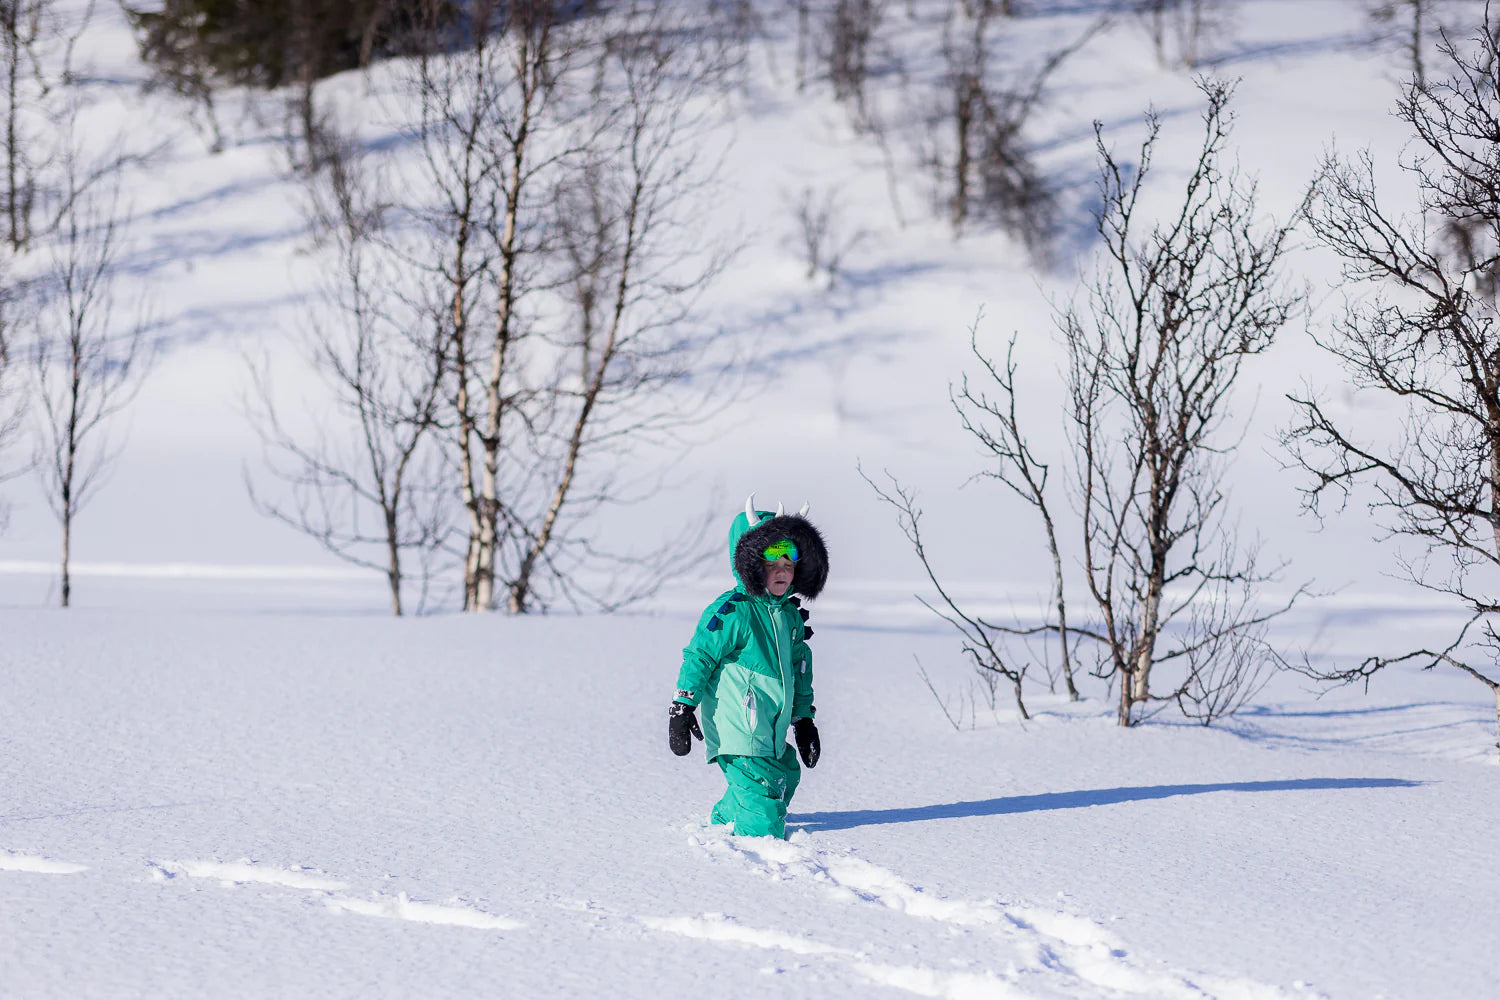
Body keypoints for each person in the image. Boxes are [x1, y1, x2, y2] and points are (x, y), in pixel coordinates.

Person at [668, 495, 829, 839]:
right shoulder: (733, 611)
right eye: (773, 562)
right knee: (765, 818)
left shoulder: (789, 617)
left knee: (787, 775)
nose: (783, 570)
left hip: (771, 732)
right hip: (739, 730)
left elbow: (800, 671)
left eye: (790, 562)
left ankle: (728, 813)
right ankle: (752, 857)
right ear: (751, 564)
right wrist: (682, 706)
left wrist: (804, 721)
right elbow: (700, 655)